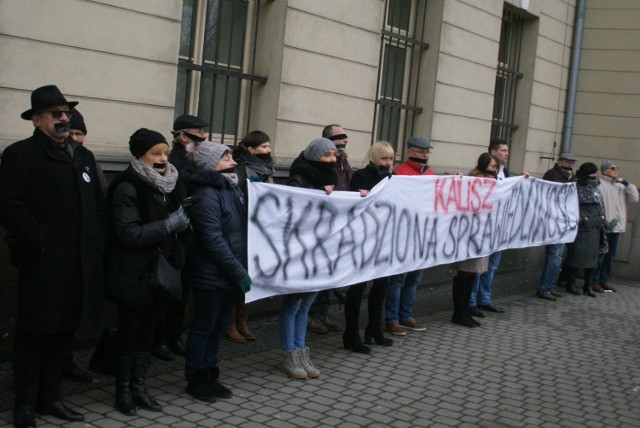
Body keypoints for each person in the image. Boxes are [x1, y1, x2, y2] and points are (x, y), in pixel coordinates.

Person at [0, 85, 106, 427]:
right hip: (43, 263)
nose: (64, 118)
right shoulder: (20, 155)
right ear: (36, 120)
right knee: (34, 336)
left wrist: (96, 242)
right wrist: (40, 242)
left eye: (67, 113)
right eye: (56, 114)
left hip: (79, 264)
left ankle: (50, 398)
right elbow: (11, 206)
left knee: (63, 333)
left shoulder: (83, 156)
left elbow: (96, 206)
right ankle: (25, 404)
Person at [105, 128, 190, 416]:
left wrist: (184, 223)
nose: (163, 158)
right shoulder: (128, 185)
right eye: (156, 153)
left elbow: (175, 221)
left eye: (166, 152)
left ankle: (140, 388)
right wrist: (169, 225)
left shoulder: (169, 183)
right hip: (132, 273)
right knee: (129, 333)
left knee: (148, 333)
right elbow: (128, 234)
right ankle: (123, 391)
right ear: (140, 155)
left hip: (159, 273)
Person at [182, 141, 251, 402]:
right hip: (211, 274)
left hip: (228, 272)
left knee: (217, 326)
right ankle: (195, 378)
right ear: (211, 164)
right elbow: (212, 239)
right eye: (225, 158)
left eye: (231, 156)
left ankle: (210, 373)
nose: (232, 162)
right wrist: (238, 271)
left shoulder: (230, 188)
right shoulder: (206, 193)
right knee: (204, 326)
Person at [150, 114, 210, 361]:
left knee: (182, 292)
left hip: (188, 235)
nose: (204, 137)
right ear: (183, 136)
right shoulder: (173, 160)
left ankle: (173, 335)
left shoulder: (194, 159)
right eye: (199, 132)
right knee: (167, 292)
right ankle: (159, 339)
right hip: (171, 235)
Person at [280, 137, 338, 379]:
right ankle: (288, 354)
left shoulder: (330, 180)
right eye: (327, 156)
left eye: (334, 155)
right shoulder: (299, 178)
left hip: (319, 251)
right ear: (315, 156)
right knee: (293, 306)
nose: (332, 160)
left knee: (306, 305)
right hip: (300, 253)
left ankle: (302, 350)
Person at [222, 130, 274, 343]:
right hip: (241, 228)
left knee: (250, 274)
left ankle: (243, 319)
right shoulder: (241, 169)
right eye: (264, 147)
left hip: (257, 230)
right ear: (251, 149)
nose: (268, 151)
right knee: (238, 275)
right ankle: (230, 322)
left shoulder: (266, 168)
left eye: (269, 146)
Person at [343, 142, 395, 354]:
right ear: (374, 158)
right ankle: (351, 334)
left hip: (383, 239)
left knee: (381, 286)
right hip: (363, 241)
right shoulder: (361, 176)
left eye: (391, 159)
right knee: (357, 289)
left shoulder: (393, 178)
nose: (388, 163)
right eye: (384, 159)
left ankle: (375, 328)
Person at [384, 136, 431, 337]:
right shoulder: (399, 172)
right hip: (402, 235)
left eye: (427, 152)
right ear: (410, 152)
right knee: (397, 280)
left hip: (421, 234)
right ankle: (392, 318)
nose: (425, 155)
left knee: (413, 278)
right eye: (421, 152)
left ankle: (406, 314)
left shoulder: (429, 173)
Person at [306, 124, 350, 334]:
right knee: (317, 272)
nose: (344, 140)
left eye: (345, 137)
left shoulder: (343, 162)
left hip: (337, 224)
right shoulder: (311, 167)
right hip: (319, 228)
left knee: (328, 272)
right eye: (339, 137)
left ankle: (322, 311)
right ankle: (312, 314)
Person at [450, 153, 498, 327]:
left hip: (482, 236)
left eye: (495, 167)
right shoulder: (473, 181)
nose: (494, 170)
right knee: (464, 274)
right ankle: (459, 312)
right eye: (492, 166)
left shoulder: (494, 182)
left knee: (472, 274)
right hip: (468, 235)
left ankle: (465, 310)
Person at [468, 139, 510, 317]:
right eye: (503, 150)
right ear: (492, 152)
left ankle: (484, 299)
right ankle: (471, 301)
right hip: (481, 229)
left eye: (507, 150)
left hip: (497, 227)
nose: (506, 153)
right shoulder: (477, 178)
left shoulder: (504, 173)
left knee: (491, 267)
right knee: (477, 267)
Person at [536, 152, 577, 301]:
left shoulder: (570, 176)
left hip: (563, 221)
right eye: (567, 161)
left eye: (572, 162)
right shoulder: (552, 174)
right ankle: (545, 288)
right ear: (559, 161)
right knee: (554, 256)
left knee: (556, 257)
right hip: (553, 222)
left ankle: (549, 286)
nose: (570, 165)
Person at [593, 160, 639, 292]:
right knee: (600, 255)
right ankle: (594, 281)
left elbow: (634, 198)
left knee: (609, 256)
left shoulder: (621, 186)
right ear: (605, 170)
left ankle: (603, 280)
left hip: (616, 227)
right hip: (603, 226)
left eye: (617, 168)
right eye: (612, 168)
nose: (616, 170)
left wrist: (626, 183)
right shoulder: (600, 184)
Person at [564, 162, 605, 297]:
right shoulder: (577, 186)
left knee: (592, 258)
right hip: (583, 227)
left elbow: (600, 203)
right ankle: (571, 284)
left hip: (595, 226)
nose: (594, 175)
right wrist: (583, 218)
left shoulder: (595, 187)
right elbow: (572, 204)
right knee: (576, 256)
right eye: (592, 173)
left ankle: (588, 286)